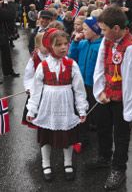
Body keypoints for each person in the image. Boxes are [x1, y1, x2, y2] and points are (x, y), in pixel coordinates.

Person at [89, 6, 132, 190]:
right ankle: (104, 157)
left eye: (104, 29)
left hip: (122, 99)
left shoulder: (131, 48)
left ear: (115, 28)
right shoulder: (107, 41)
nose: (102, 32)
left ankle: (119, 169)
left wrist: (128, 109)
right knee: (103, 127)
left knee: (121, 135)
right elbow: (100, 67)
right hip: (106, 96)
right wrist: (100, 91)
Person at [26, 28, 88, 182]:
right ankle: (45, 163)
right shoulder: (43, 65)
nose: (63, 47)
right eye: (58, 44)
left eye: (66, 44)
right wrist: (32, 110)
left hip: (66, 106)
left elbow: (79, 90)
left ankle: (68, 162)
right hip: (48, 107)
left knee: (67, 136)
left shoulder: (71, 64)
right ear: (49, 46)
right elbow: (36, 91)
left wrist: (81, 109)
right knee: (46, 137)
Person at [68, 16, 102, 144]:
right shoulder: (82, 43)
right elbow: (72, 56)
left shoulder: (101, 46)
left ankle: (96, 128)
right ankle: (83, 135)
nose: (82, 32)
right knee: (82, 108)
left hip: (94, 84)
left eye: (86, 29)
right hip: (81, 83)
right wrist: (75, 42)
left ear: (95, 30)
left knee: (94, 109)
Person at [22, 32, 49, 127]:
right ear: (37, 47)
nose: (48, 46)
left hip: (50, 93)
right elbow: (28, 76)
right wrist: (29, 88)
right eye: (44, 44)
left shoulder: (54, 56)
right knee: (39, 115)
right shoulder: (34, 59)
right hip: (38, 92)